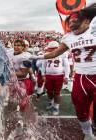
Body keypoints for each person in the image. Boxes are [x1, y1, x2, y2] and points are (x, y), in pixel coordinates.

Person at [30, 3, 96, 139]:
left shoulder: (94, 30)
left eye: (75, 21)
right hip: (81, 77)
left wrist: (84, 10)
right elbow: (54, 53)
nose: (71, 24)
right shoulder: (68, 37)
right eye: (70, 22)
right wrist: (37, 56)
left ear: (87, 21)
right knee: (80, 109)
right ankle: (88, 134)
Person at [41, 41, 70, 115]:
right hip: (48, 75)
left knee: (57, 93)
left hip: (59, 75)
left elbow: (67, 66)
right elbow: (43, 66)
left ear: (56, 48)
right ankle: (50, 102)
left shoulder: (63, 55)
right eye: (49, 49)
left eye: (51, 49)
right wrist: (43, 75)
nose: (49, 50)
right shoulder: (47, 55)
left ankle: (56, 106)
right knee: (49, 91)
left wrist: (66, 76)